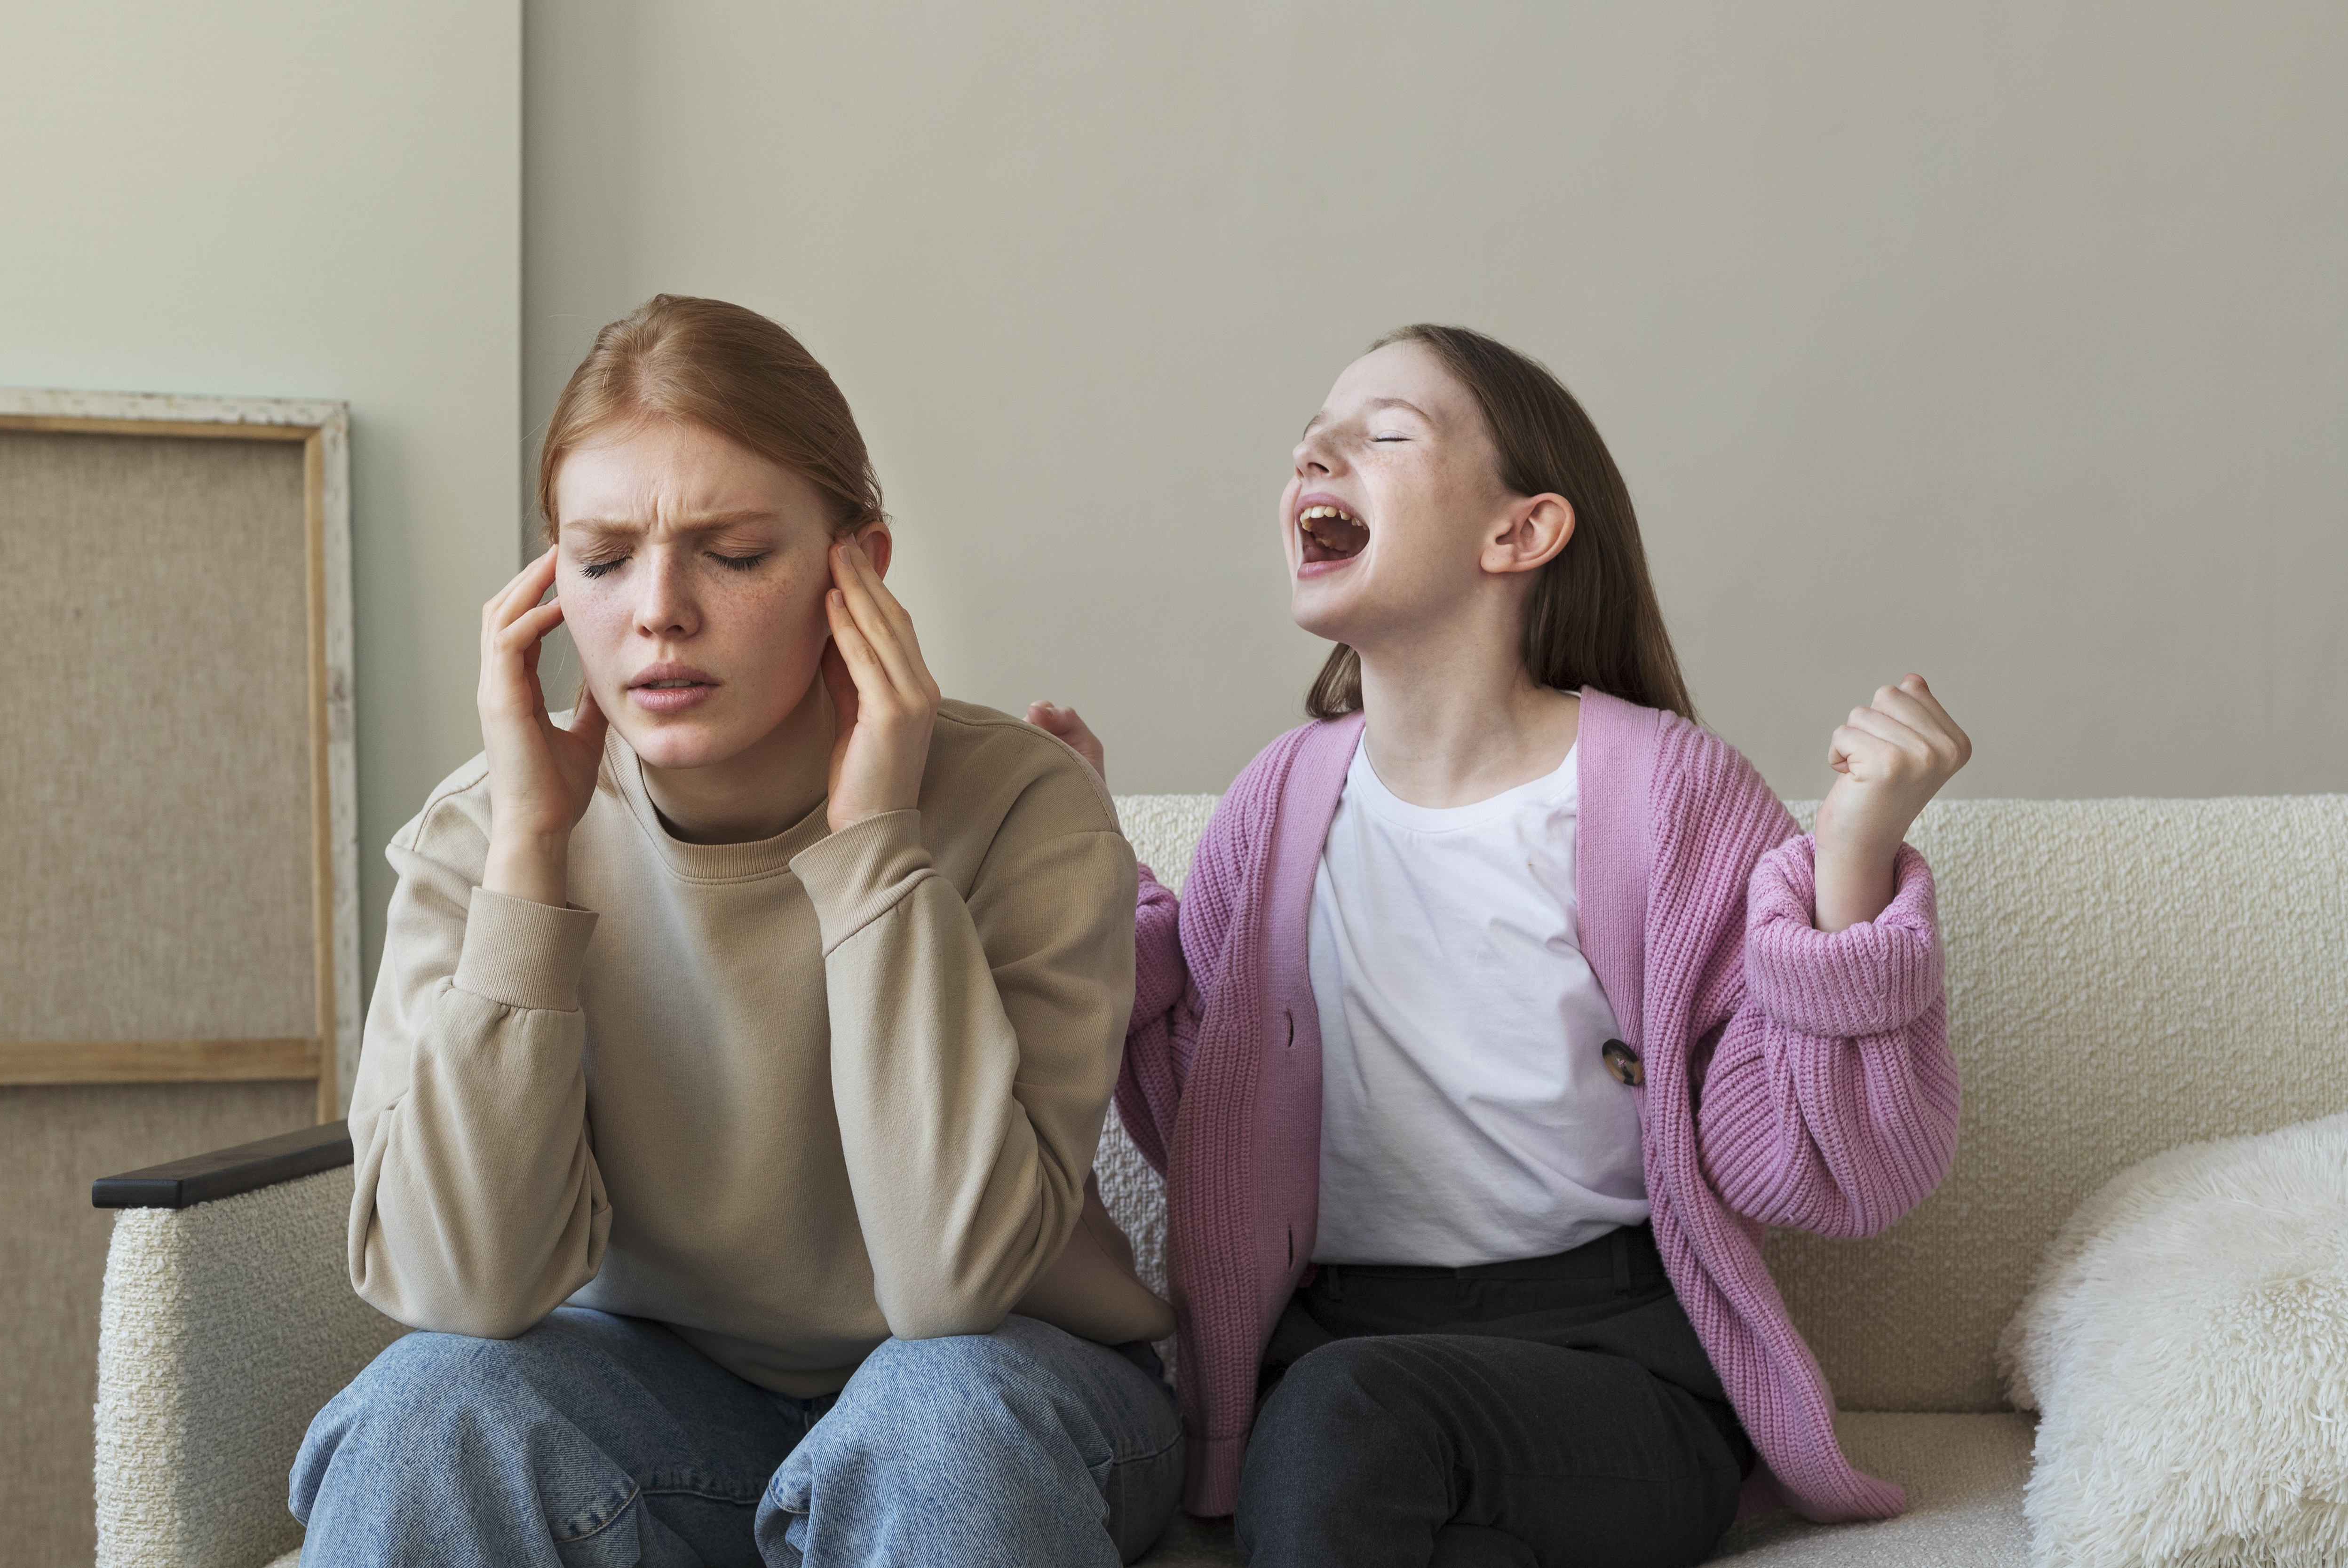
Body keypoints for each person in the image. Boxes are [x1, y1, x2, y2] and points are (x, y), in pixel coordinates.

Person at [1032, 324, 1970, 1568]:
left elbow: (1822, 1175)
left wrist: (1852, 861)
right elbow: (1198, 1115)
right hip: (1337, 1357)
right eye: (1312, 433)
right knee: (1345, 1436)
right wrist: (1085, 873)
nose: (1315, 448)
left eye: (1381, 433)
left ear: (1518, 534)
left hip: (1614, 1369)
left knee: (1337, 1425)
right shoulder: (1273, 806)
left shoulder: (1669, 795)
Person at [292, 295, 1182, 1568]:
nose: (658, 611)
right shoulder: (481, 837)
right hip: (659, 1400)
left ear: (855, 567)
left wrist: (874, 839)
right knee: (424, 1412)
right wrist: (530, 869)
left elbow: (950, 1285)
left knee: (935, 1419)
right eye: (602, 562)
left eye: (734, 553)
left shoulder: (1020, 809)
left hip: (1004, 1389)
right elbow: (464, 1292)